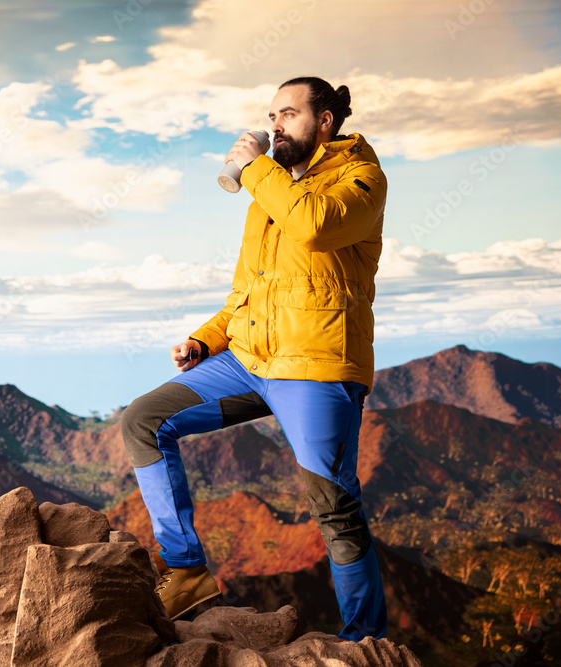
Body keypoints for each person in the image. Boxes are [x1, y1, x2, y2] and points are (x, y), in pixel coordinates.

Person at [121, 76, 388, 641]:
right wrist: (206, 339)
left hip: (315, 367)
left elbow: (313, 226)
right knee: (143, 420)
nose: (274, 126)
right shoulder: (270, 195)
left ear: (325, 122)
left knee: (335, 509)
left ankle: (364, 642)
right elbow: (248, 292)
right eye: (271, 115)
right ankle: (187, 569)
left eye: (288, 115)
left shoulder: (361, 180)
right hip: (249, 360)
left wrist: (252, 170)